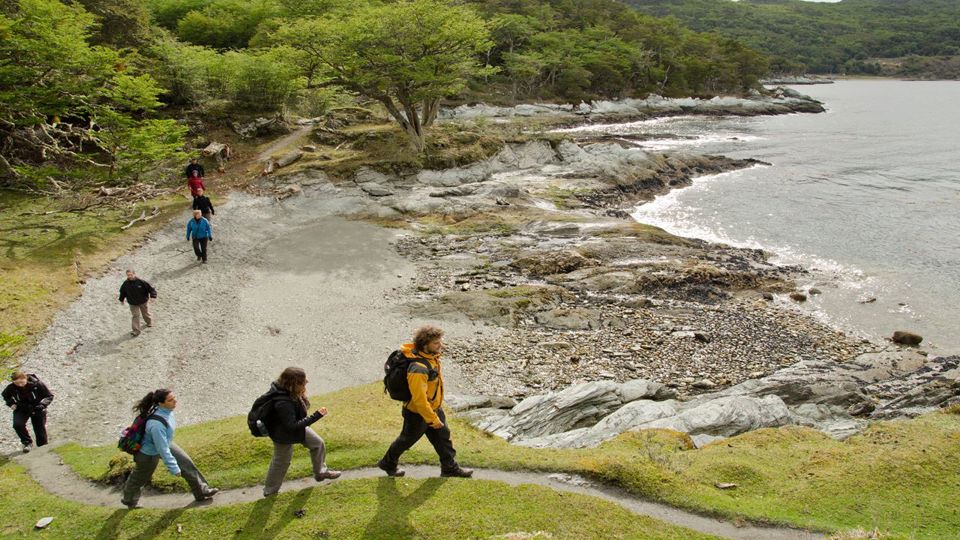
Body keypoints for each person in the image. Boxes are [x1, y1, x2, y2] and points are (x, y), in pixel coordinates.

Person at [378, 326, 473, 478]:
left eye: (439, 342)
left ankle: (449, 468)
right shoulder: (418, 368)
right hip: (418, 413)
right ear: (424, 345)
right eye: (436, 343)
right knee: (406, 440)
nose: (440, 345)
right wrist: (432, 419)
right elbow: (419, 399)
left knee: (443, 438)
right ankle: (387, 463)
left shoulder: (431, 358)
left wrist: (435, 413)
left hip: (433, 408)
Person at [121, 389, 218, 509]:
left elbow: (163, 444)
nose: (175, 401)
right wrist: (174, 468)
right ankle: (129, 500)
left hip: (164, 443)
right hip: (148, 453)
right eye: (170, 400)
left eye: (174, 397)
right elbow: (162, 449)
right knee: (140, 477)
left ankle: (202, 491)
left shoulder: (167, 411)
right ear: (161, 403)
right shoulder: (156, 425)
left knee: (187, 464)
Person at [262, 367, 341, 497]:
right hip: (283, 435)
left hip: (295, 428)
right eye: (303, 381)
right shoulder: (282, 402)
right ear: (293, 383)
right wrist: (317, 415)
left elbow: (299, 415)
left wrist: (302, 396)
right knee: (281, 461)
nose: (307, 381)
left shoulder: (291, 393)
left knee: (317, 443)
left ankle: (321, 472)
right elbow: (292, 426)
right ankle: (270, 491)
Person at [2, 372, 53, 453]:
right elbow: (5, 395)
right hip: (21, 408)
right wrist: (11, 403)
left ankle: (43, 446)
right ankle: (27, 443)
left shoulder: (37, 384)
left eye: (22, 382)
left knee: (39, 428)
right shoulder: (11, 387)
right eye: (17, 383)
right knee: (17, 425)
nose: (20, 385)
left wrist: (42, 404)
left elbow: (49, 396)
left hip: (37, 408)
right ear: (13, 381)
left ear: (25, 379)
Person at [119, 269, 157, 337]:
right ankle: (136, 331)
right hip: (132, 303)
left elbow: (151, 289)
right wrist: (121, 300)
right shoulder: (125, 284)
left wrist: (153, 296)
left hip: (143, 301)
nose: (129, 276)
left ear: (134, 274)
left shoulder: (141, 282)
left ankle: (149, 322)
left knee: (145, 313)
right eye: (128, 275)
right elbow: (122, 292)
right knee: (135, 315)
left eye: (131, 275)